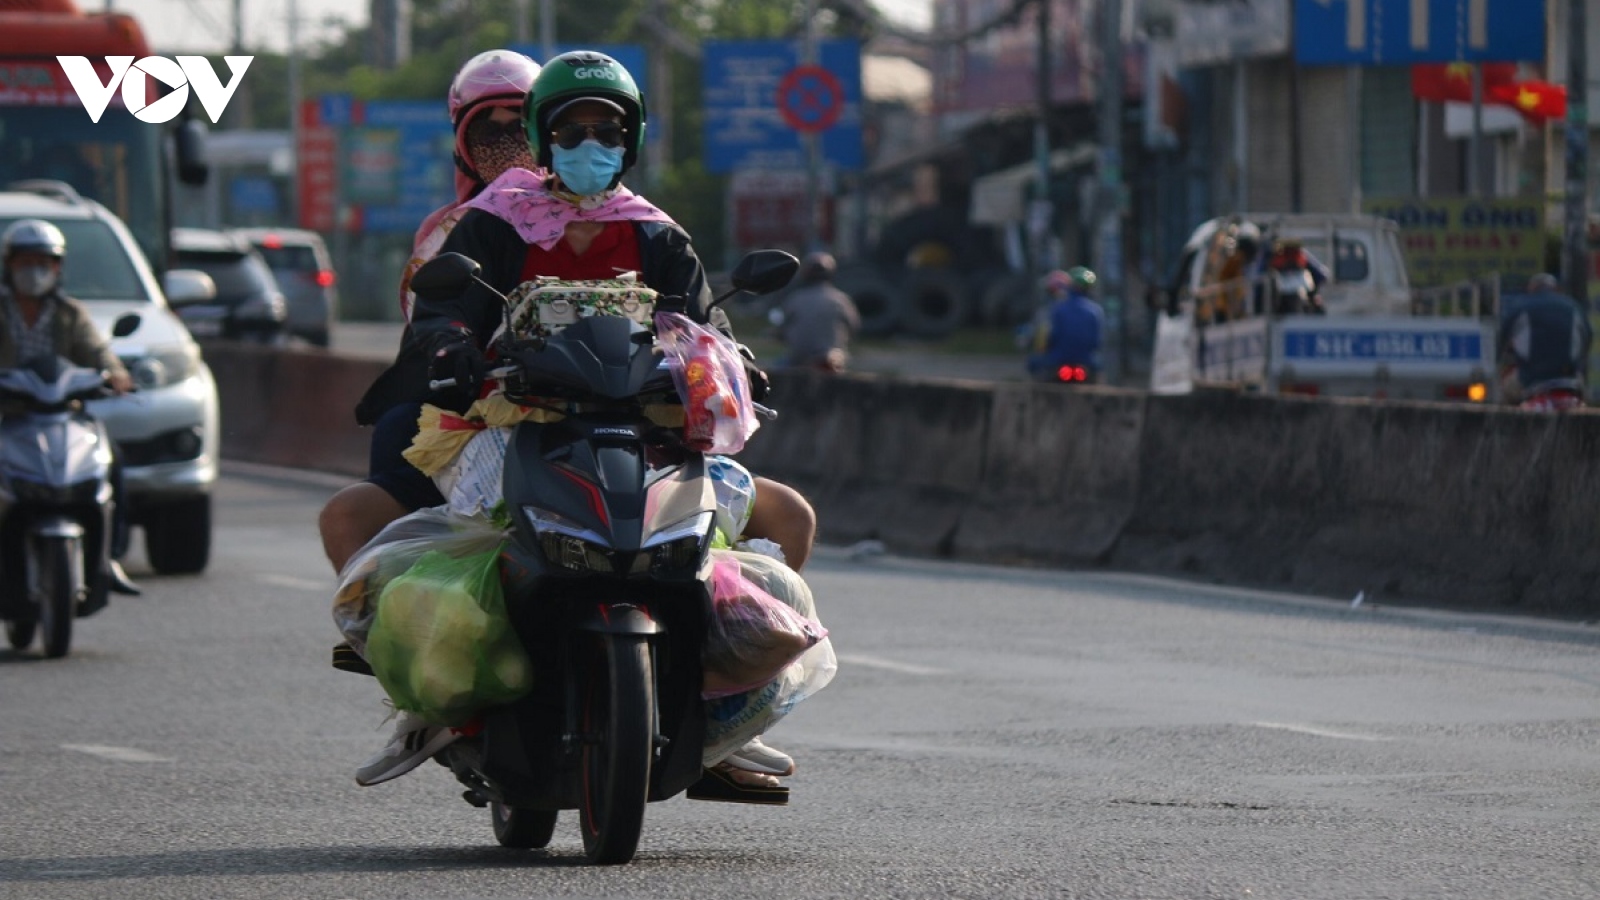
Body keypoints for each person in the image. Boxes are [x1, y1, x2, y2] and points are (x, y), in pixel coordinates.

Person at [334, 50, 815, 789]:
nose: (591, 145)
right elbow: (440, 311)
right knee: (452, 544)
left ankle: (722, 714)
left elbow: (697, 327)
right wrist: (450, 342)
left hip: (651, 428)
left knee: (789, 516)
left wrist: (730, 363)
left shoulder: (659, 235)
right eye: (571, 129)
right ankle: (431, 702)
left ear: (632, 141)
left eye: (607, 131)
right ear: (545, 135)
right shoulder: (491, 225)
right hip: (517, 420)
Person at [0, 219, 140, 596]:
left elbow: (99, 353)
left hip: (62, 417)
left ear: (57, 267)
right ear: (9, 264)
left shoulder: (71, 313)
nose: (34, 270)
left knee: (112, 461)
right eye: (26, 261)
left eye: (43, 262)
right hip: (8, 418)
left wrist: (115, 376)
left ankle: (110, 558)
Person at [1498, 273, 1593, 411]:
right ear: (1555, 288)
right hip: (1570, 381)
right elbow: (1587, 340)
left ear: (1532, 289)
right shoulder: (1574, 307)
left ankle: (1509, 429)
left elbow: (1501, 341)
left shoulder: (1520, 307)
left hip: (1530, 380)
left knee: (1504, 391)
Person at [775, 251, 859, 372]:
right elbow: (854, 326)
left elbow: (782, 329)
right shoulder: (841, 300)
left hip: (800, 359)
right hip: (833, 358)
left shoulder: (796, 299)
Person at [1025, 266, 1104, 383]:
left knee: (1033, 364)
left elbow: (1051, 336)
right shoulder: (1096, 311)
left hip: (1058, 359)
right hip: (1086, 361)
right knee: (1099, 372)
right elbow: (1096, 342)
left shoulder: (1057, 308)